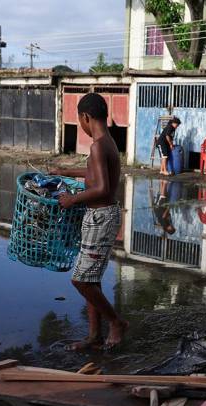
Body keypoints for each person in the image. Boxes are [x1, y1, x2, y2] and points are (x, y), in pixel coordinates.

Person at [52, 93, 127, 350]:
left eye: (80, 121)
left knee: (81, 280)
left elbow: (103, 188)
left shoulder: (97, 145)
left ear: (85, 117)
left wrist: (73, 199)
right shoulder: (106, 142)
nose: (81, 125)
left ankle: (116, 322)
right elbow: (94, 171)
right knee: (91, 279)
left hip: (101, 217)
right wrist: (65, 172)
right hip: (99, 216)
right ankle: (94, 336)